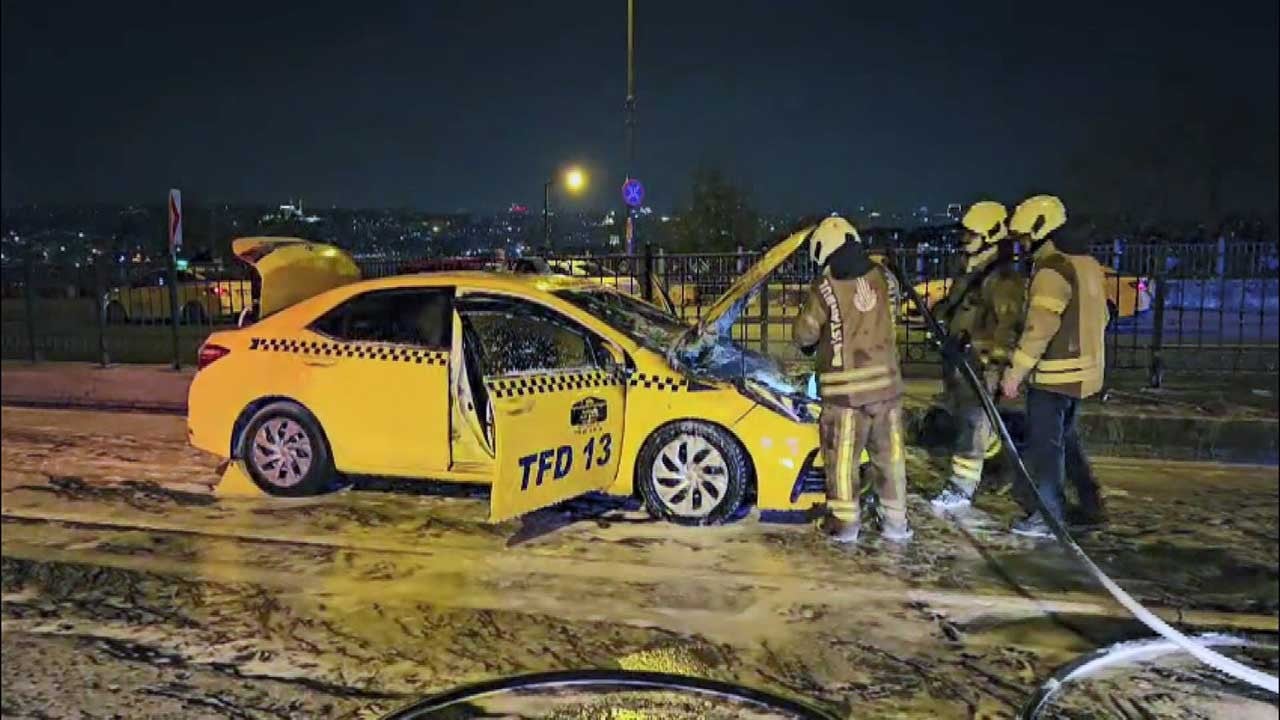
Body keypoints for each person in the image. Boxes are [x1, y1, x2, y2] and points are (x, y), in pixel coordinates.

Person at [793, 216, 910, 544]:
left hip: (845, 396)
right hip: (886, 389)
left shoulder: (825, 287)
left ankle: (844, 525)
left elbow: (805, 333)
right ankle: (896, 524)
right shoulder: (885, 277)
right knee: (891, 460)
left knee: (842, 463)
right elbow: (892, 316)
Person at [999, 195, 1108, 538]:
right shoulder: (1087, 264)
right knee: (1066, 441)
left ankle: (1049, 516)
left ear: (1039, 232)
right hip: (1083, 373)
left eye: (1024, 238)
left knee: (1047, 449)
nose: (1022, 246)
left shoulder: (1051, 270)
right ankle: (1090, 502)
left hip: (1054, 375)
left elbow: (1039, 328)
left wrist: (1015, 373)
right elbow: (1102, 317)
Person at [931, 201, 1025, 509]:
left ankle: (961, 487)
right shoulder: (971, 270)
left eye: (972, 235)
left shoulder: (1003, 279)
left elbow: (1009, 326)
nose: (965, 240)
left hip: (981, 365)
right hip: (961, 360)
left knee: (973, 425)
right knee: (976, 423)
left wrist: (994, 362)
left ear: (991, 236)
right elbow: (958, 307)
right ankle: (1003, 469)